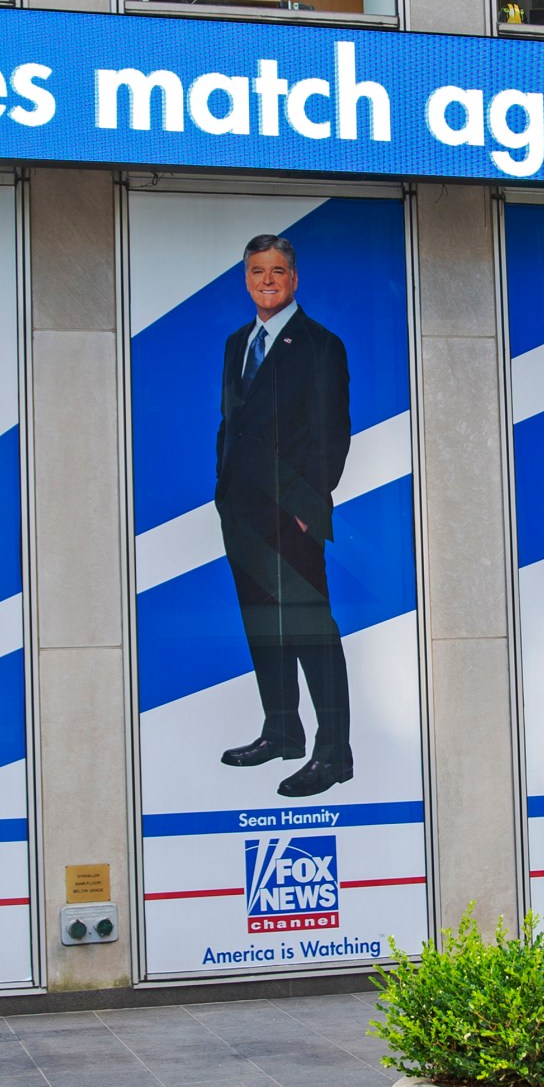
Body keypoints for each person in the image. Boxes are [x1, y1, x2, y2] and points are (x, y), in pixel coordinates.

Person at [215, 233, 356, 799]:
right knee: (262, 625)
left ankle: (334, 751)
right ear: (246, 279)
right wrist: (222, 490)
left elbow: (332, 431)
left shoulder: (321, 345)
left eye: (277, 271)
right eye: (256, 271)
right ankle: (282, 729)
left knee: (310, 630)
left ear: (294, 279)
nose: (267, 280)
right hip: (241, 509)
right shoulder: (235, 343)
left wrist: (309, 507)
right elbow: (230, 422)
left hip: (290, 514)